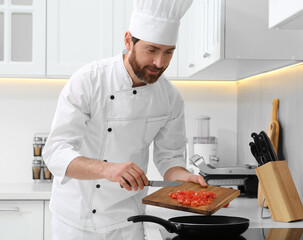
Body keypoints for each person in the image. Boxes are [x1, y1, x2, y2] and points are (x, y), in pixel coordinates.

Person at [42, 0, 207, 239]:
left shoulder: (170, 98)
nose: (160, 63)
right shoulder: (89, 81)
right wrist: (108, 169)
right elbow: (55, 152)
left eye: (168, 52)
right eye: (151, 50)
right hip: (74, 222)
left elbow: (169, 158)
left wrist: (185, 178)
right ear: (129, 40)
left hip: (127, 222)